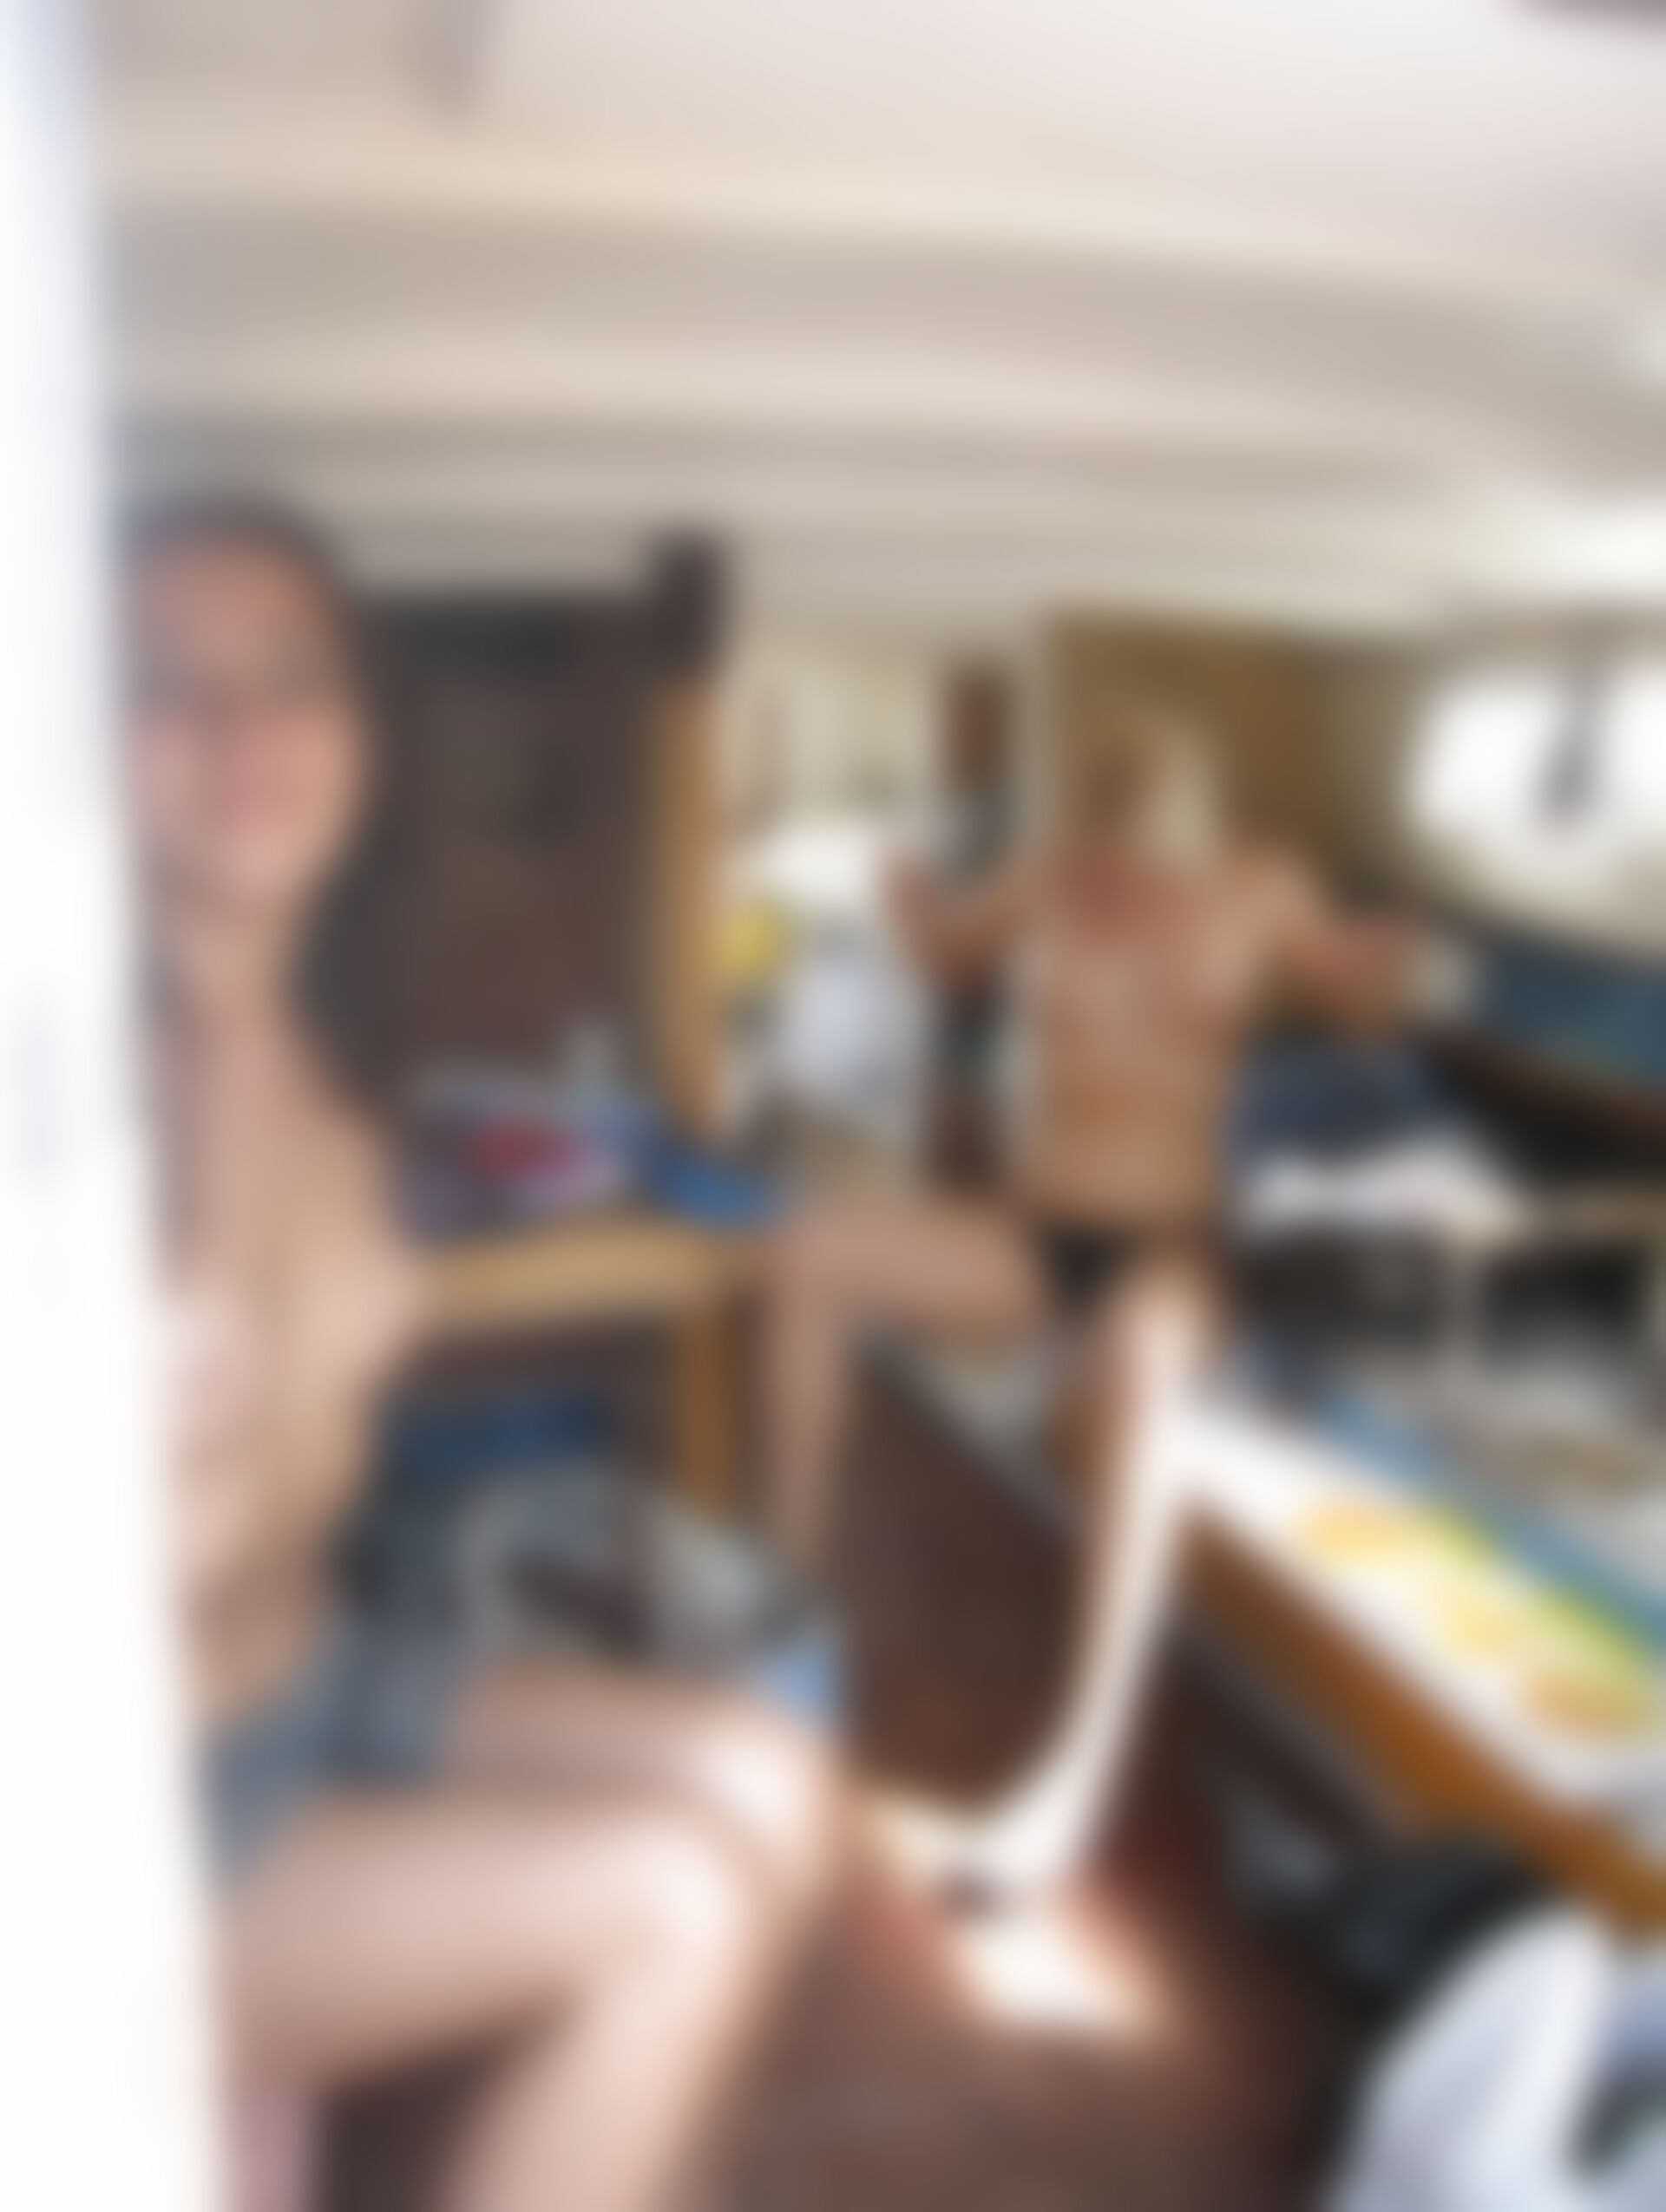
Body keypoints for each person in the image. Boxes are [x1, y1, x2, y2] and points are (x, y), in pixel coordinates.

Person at [129, 499, 838, 2212]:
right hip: (137, 1815)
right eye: (161, 682)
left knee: (779, 1777)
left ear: (367, 734)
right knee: (669, 1906)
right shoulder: (67, 1079)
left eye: (291, 676)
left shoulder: (334, 1051)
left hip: (327, 1671)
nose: (238, 730)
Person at [760, 706, 1416, 1899]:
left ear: (1194, 839)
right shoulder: (1052, 867)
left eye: (1136, 869)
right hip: (1039, 1229)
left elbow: (1359, 1009)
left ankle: (1077, 1776)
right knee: (805, 1251)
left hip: (1171, 1241)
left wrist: (1381, 972)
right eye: (1096, 861)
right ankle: (782, 1611)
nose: (1109, 888)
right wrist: (908, 902)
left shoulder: (1264, 884)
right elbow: (953, 956)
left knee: (1141, 1367)